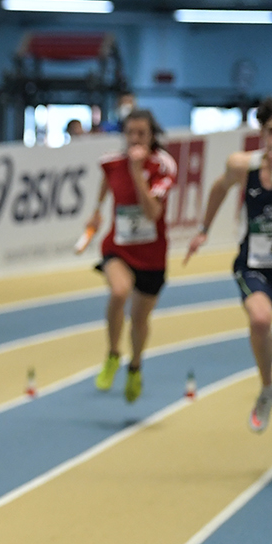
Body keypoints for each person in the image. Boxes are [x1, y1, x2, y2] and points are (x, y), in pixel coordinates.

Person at [186, 98, 272, 456]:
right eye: (270, 131)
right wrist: (203, 229)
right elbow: (219, 188)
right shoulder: (242, 165)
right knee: (260, 319)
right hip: (254, 265)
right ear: (261, 134)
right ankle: (266, 388)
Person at [83, 110, 177, 402]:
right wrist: (97, 210)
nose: (135, 139)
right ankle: (113, 354)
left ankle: (135, 366)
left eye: (141, 134)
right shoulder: (111, 162)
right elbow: (107, 180)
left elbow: (152, 213)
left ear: (151, 136)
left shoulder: (163, 166)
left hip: (151, 255)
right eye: (130, 133)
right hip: (118, 247)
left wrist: (137, 173)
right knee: (119, 291)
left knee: (139, 319)